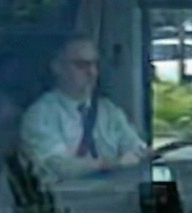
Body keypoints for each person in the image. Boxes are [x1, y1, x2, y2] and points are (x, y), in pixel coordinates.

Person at [19, 36, 146, 174]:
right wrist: (112, 163)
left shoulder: (109, 110)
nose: (92, 73)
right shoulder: (40, 115)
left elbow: (136, 148)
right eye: (81, 65)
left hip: (115, 194)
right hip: (65, 194)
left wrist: (142, 154)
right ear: (57, 67)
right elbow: (56, 165)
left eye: (95, 65)